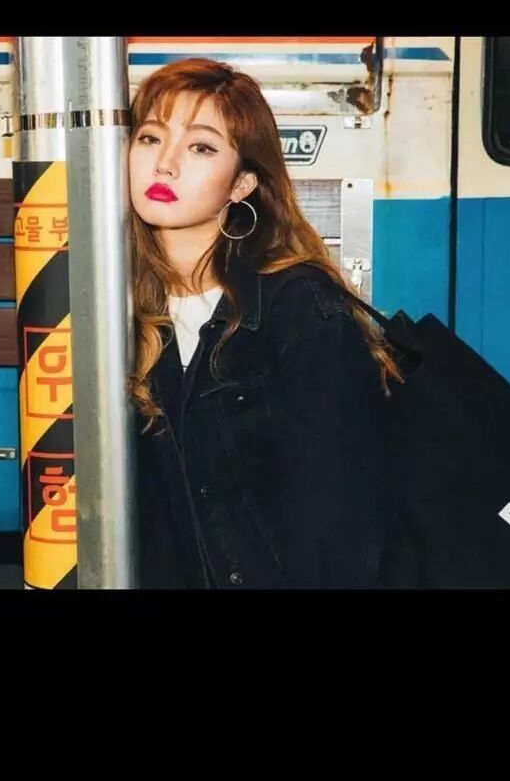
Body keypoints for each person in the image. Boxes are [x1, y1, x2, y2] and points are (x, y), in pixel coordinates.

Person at [127, 57, 406, 589]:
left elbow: (342, 522)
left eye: (201, 147)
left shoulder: (300, 309)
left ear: (242, 183)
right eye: (150, 138)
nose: (165, 164)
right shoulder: (111, 307)